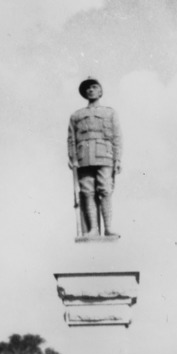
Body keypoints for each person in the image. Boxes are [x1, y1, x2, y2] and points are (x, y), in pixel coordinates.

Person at [68, 77, 122, 237]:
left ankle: (108, 227)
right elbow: (71, 139)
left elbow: (117, 137)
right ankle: (93, 229)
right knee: (87, 192)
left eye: (94, 87)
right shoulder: (76, 115)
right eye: (88, 88)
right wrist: (72, 158)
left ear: (100, 91)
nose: (90, 90)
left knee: (105, 190)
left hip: (104, 155)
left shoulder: (110, 112)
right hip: (84, 157)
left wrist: (118, 159)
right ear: (84, 93)